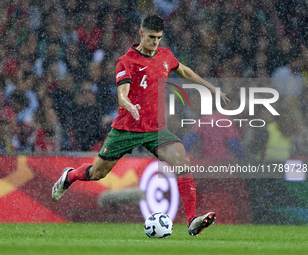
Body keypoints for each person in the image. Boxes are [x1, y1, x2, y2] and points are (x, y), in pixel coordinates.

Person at [52, 15, 229, 236]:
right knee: (97, 173)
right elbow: (121, 95)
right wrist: (130, 105)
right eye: (152, 37)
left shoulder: (165, 55)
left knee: (182, 160)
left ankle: (192, 220)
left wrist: (210, 87)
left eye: (159, 38)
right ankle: (69, 176)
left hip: (155, 129)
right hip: (127, 128)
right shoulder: (126, 61)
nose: (155, 42)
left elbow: (183, 70)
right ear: (141, 34)